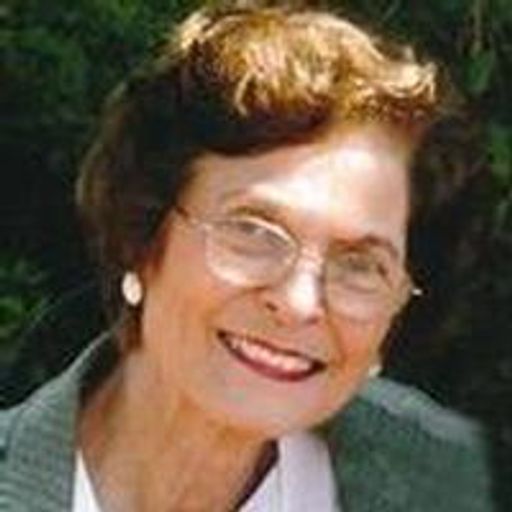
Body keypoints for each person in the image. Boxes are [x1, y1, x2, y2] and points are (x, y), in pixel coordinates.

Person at [0, 2, 495, 511]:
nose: (299, 303)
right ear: (142, 238)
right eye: (254, 233)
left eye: (361, 265)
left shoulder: (460, 485)